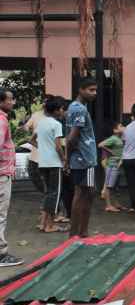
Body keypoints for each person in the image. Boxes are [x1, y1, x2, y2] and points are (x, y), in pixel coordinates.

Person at [66, 77, 99, 239]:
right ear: (81, 90)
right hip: (85, 159)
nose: (94, 93)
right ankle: (79, 233)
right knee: (85, 193)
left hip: (80, 158)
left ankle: (79, 232)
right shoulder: (79, 109)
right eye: (91, 90)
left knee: (85, 193)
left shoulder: (74, 107)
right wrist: (66, 159)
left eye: (95, 90)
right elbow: (72, 138)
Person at [36, 97, 67, 233]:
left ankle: (43, 224)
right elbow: (58, 146)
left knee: (49, 193)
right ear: (55, 110)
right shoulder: (56, 124)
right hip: (54, 163)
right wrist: (64, 160)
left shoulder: (41, 123)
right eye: (61, 109)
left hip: (42, 162)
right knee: (55, 194)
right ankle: (49, 225)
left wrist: (44, 149)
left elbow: (32, 140)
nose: (62, 111)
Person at [0, 89, 23, 267]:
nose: (13, 103)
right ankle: (1, 254)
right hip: (1, 175)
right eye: (11, 99)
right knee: (1, 214)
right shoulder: (1, 120)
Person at [98, 123, 125, 213]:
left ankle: (115, 203)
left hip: (116, 164)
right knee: (109, 186)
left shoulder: (119, 138)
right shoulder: (113, 138)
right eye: (120, 126)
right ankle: (108, 205)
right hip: (112, 164)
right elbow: (100, 145)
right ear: (115, 130)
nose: (123, 127)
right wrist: (111, 151)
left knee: (114, 186)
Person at [24, 102, 46, 198]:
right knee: (39, 180)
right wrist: (25, 128)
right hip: (36, 155)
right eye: (44, 101)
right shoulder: (36, 115)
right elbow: (27, 127)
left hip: (51, 156)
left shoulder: (56, 116)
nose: (45, 103)